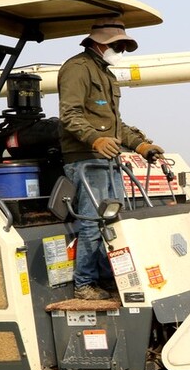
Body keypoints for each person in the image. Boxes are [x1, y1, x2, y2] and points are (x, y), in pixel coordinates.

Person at [58, 20, 164, 300]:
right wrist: (95, 139)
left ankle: (108, 279)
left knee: (114, 223)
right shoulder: (77, 69)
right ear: (100, 42)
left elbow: (115, 125)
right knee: (93, 222)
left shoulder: (105, 73)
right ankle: (84, 284)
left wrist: (141, 145)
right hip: (86, 159)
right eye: (118, 46)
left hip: (107, 158)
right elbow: (69, 115)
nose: (121, 51)